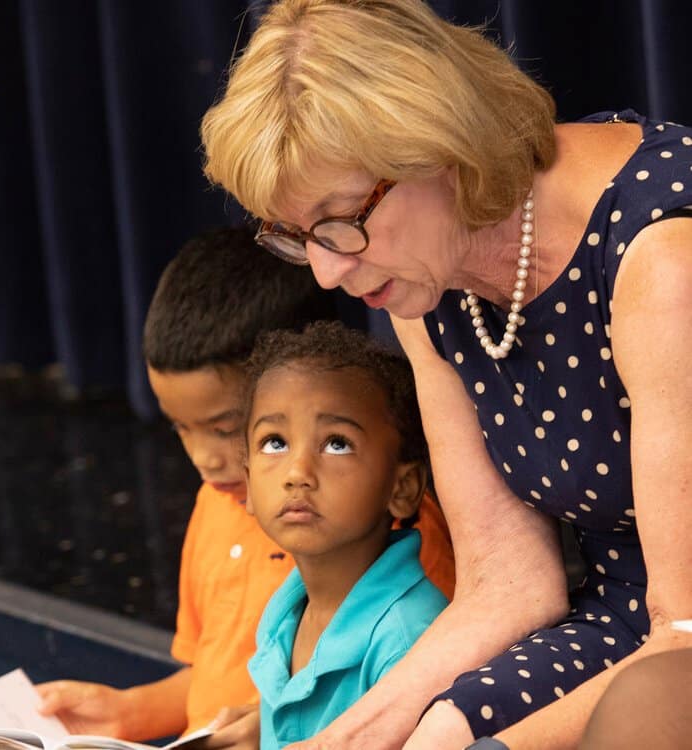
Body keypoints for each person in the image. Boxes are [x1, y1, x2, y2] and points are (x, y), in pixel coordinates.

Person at [199, 1, 692, 748]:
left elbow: (682, 637)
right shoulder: (422, 279)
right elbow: (509, 584)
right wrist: (344, 736)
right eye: (301, 238)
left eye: (340, 219)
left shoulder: (660, 259)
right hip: (631, 619)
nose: (330, 271)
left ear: (441, 150)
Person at [36, 227, 456, 748]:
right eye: (180, 428)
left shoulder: (401, 549)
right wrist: (130, 712)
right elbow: (221, 676)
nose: (205, 460)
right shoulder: (219, 512)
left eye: (225, 427)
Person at [243, 320, 449, 749]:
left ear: (402, 487)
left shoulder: (407, 639)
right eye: (275, 442)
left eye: (337, 443)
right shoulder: (282, 618)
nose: (297, 473)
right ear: (247, 485)